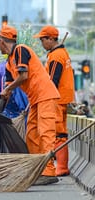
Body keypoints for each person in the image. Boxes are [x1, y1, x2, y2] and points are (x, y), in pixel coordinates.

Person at [0, 25, 60, 185]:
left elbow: (23, 76)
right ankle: (37, 168)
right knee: (31, 134)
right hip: (35, 100)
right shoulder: (8, 63)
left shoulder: (20, 50)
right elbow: (9, 87)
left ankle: (49, 171)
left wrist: (7, 89)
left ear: (2, 41)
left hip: (45, 95)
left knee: (45, 133)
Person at [33, 25, 75, 176]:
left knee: (56, 134)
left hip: (56, 100)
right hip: (63, 99)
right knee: (61, 134)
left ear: (51, 39)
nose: (41, 43)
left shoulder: (56, 56)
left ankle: (61, 167)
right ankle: (62, 166)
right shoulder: (62, 53)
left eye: (43, 40)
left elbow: (52, 81)